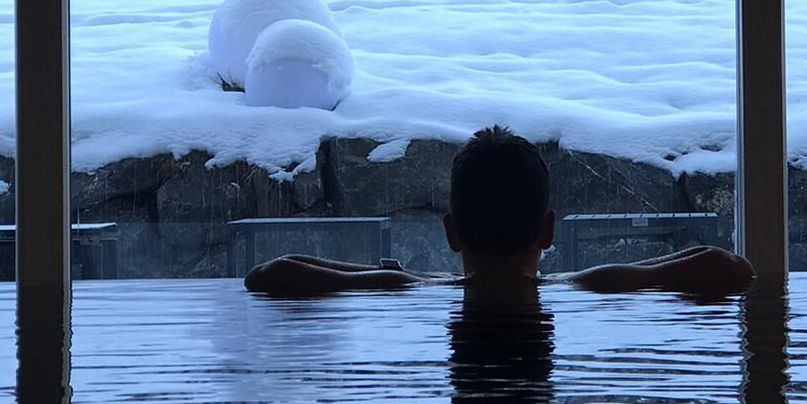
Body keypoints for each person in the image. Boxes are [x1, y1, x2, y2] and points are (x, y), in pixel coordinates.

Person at [244, 126, 754, 297]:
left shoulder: (410, 288)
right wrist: (613, 274)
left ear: (451, 233)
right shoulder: (589, 286)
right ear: (549, 230)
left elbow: (268, 275)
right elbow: (729, 267)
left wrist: (388, 279)